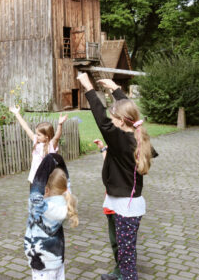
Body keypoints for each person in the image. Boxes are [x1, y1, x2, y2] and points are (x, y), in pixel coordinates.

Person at [77, 74, 154, 280]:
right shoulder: (138, 136)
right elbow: (130, 113)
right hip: (124, 202)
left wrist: (88, 87)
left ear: (121, 123)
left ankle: (126, 276)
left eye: (114, 119)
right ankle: (120, 273)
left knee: (127, 255)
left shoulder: (123, 142)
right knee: (123, 247)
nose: (111, 122)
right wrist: (116, 90)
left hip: (125, 205)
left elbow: (102, 120)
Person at [24, 153, 78, 280]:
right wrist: (60, 162)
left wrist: (48, 160)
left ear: (46, 190)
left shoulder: (41, 208)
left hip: (42, 263)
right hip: (57, 260)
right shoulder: (65, 204)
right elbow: (67, 187)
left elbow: (35, 195)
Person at [9, 106, 67, 185]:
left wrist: (60, 124)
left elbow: (57, 137)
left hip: (47, 181)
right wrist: (17, 114)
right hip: (34, 179)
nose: (36, 136)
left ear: (46, 136)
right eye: (36, 134)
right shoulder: (36, 142)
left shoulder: (51, 145)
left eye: (39, 135)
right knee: (34, 197)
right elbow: (26, 128)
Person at [94, 139, 121, 280]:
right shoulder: (114, 153)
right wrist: (103, 149)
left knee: (121, 241)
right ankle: (121, 268)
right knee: (114, 240)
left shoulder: (122, 156)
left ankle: (122, 272)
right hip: (111, 205)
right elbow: (108, 165)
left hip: (120, 207)